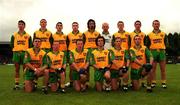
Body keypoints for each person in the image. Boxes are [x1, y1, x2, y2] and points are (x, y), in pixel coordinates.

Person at [145, 20, 168, 88]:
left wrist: (163, 50)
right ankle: (153, 82)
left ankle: (163, 82)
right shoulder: (149, 35)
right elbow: (147, 45)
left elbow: (166, 44)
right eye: (155, 24)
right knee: (153, 69)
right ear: (153, 25)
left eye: (157, 24)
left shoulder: (163, 34)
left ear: (159, 25)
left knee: (163, 69)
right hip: (153, 52)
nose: (156, 25)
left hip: (161, 52)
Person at [10, 20, 32, 90]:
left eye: (22, 24)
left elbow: (30, 46)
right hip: (16, 53)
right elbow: (11, 44)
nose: (20, 25)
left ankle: (25, 83)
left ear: (24, 26)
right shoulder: (14, 35)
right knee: (17, 69)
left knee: (25, 69)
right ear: (18, 25)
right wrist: (17, 49)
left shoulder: (28, 36)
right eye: (19, 24)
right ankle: (16, 84)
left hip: (25, 53)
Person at [83, 19, 100, 87]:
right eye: (90, 23)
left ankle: (97, 81)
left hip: (95, 52)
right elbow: (83, 42)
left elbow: (100, 42)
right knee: (87, 68)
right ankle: (87, 82)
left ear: (94, 24)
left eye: (93, 23)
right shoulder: (84, 33)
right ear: (88, 25)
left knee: (97, 67)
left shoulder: (98, 33)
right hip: (87, 52)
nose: (91, 24)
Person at [65, 22, 83, 87]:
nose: (75, 27)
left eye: (76, 26)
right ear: (72, 27)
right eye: (73, 26)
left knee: (81, 66)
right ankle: (71, 81)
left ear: (78, 26)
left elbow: (83, 44)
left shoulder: (81, 34)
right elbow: (66, 44)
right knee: (71, 68)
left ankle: (83, 82)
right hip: (71, 52)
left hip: (79, 52)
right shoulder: (69, 35)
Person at [130, 20, 146, 87]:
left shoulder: (144, 34)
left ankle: (143, 81)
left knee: (144, 67)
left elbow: (146, 43)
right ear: (134, 25)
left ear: (140, 25)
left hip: (141, 51)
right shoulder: (130, 34)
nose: (138, 25)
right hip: (133, 51)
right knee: (133, 66)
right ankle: (132, 81)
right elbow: (128, 43)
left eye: (139, 24)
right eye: (136, 24)